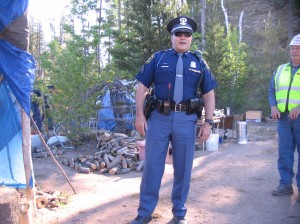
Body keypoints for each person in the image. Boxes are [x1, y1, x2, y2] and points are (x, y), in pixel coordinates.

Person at [131, 16, 217, 224]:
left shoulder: (199, 62)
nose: (182, 37)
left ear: (191, 38)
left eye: (186, 34)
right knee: (152, 166)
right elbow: (141, 87)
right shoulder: (158, 59)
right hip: (159, 118)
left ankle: (179, 213)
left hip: (186, 121)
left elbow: (209, 94)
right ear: (172, 37)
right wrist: (140, 115)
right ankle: (144, 214)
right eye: (178, 33)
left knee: (184, 168)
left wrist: (208, 122)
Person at [268, 34, 300, 203]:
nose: (294, 51)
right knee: (284, 152)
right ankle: (285, 184)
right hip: (283, 119)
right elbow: (272, 90)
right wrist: (273, 106)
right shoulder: (281, 69)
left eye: (298, 48)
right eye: (292, 48)